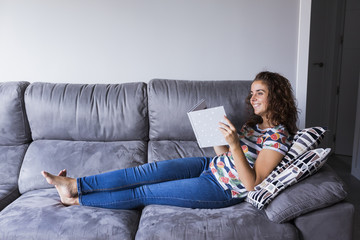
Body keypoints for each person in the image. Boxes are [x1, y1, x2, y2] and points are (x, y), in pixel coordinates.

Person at [42, 71, 298, 209]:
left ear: (276, 96)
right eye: (252, 93)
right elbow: (224, 157)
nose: (252, 98)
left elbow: (252, 184)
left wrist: (233, 144)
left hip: (221, 189)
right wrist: (214, 134)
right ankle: (76, 184)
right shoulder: (253, 125)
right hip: (208, 165)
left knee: (143, 192)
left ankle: (76, 198)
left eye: (259, 93)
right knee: (141, 173)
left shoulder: (279, 137)